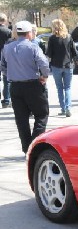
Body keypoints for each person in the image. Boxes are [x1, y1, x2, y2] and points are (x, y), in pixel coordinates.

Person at [0, 21, 50, 154]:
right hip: (33, 85)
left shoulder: (7, 48)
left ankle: (26, 147)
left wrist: (12, 74)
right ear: (29, 33)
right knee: (41, 114)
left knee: (21, 118)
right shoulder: (33, 47)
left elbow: (3, 67)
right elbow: (43, 63)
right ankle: (34, 145)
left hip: (15, 86)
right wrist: (44, 76)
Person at [46, 19, 78, 117]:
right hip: (68, 65)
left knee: (59, 88)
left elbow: (49, 54)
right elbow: (75, 52)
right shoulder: (69, 37)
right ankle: (68, 108)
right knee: (67, 88)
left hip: (56, 66)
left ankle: (63, 108)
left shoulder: (52, 38)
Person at [0, 13, 12, 108]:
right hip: (5, 55)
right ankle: (6, 100)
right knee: (6, 79)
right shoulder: (8, 31)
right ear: (5, 20)